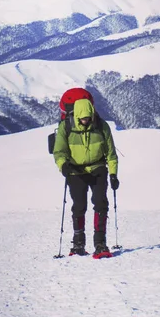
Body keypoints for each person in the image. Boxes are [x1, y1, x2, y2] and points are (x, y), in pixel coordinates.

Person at [53, 96, 119, 256]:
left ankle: (100, 244)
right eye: (83, 119)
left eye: (88, 118)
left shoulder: (101, 126)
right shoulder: (66, 126)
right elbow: (59, 151)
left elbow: (111, 154)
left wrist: (113, 174)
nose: (86, 121)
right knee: (79, 205)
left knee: (100, 202)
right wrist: (64, 166)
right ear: (76, 116)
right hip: (75, 171)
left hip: (98, 167)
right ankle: (78, 244)